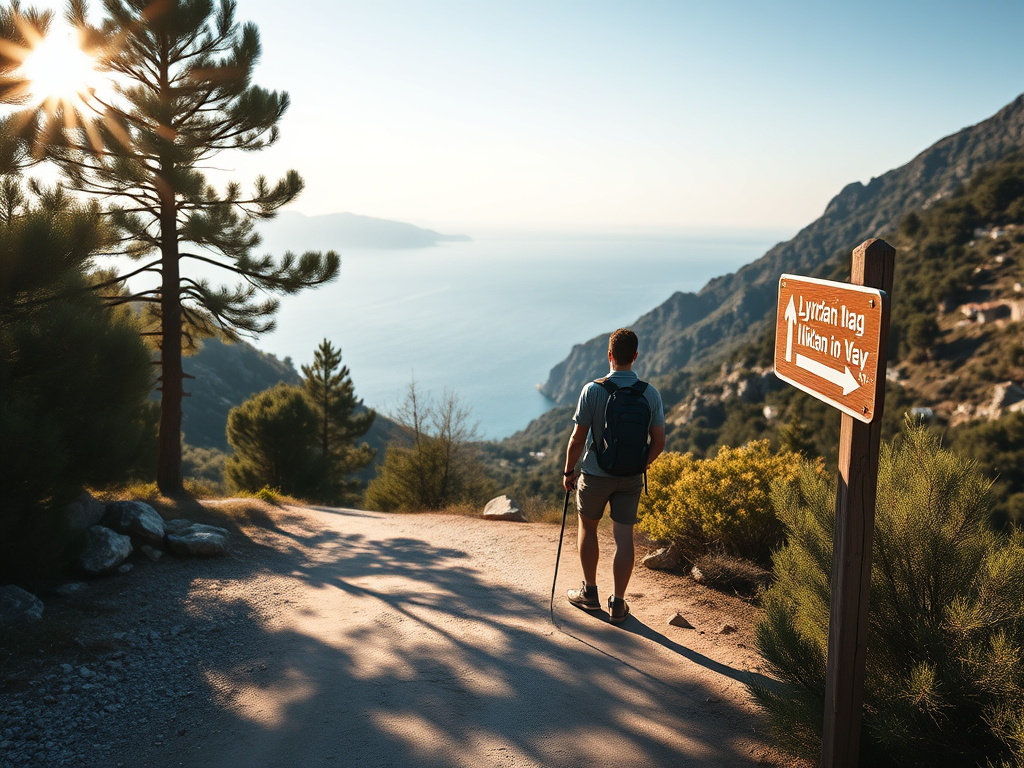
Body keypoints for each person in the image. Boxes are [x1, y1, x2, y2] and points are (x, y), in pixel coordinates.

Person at [561, 328, 666, 624]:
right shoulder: (650, 393)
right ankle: (618, 604)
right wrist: (640, 464)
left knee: (589, 529)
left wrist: (569, 472)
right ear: (635, 357)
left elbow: (577, 440)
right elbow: (659, 442)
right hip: (630, 478)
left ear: (609, 356)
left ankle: (590, 594)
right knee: (624, 538)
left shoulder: (592, 390)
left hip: (595, 475)